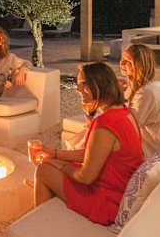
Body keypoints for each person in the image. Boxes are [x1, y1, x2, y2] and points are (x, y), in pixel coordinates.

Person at [32, 63, 143, 225]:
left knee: (43, 170)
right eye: (78, 84)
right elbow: (91, 154)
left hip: (106, 201)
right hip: (117, 189)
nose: (78, 89)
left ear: (100, 84)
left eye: (83, 83)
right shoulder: (124, 113)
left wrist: (62, 167)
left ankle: (39, 226)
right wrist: (54, 154)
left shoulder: (106, 124)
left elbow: (86, 177)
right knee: (51, 163)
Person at [119, 44, 160, 156]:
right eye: (122, 58)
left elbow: (126, 127)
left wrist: (116, 96)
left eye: (128, 61)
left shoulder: (146, 92)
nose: (121, 63)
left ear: (140, 65)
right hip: (142, 146)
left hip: (150, 153)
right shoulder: (133, 87)